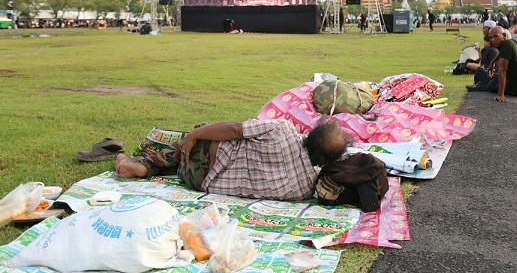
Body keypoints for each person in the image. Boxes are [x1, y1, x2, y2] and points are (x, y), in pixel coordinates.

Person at [115, 119, 350, 201]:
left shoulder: (282, 130)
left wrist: (197, 134)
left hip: (200, 155)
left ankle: (142, 164)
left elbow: (235, 129)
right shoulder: (305, 189)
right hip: (197, 182)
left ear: (312, 134)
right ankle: (146, 167)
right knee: (184, 159)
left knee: (195, 140)